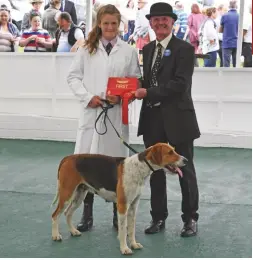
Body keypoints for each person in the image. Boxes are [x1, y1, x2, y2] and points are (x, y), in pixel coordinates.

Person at [67, 4, 141, 232]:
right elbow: (73, 78)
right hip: (92, 114)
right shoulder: (85, 49)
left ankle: (116, 216)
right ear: (99, 24)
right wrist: (89, 97)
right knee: (88, 166)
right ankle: (86, 216)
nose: (110, 27)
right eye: (106, 23)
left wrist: (123, 96)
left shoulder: (128, 51)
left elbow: (135, 81)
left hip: (116, 116)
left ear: (119, 25)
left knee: (117, 168)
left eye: (114, 23)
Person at [135, 2, 200, 237]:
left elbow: (181, 84)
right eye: (156, 19)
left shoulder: (184, 48)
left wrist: (147, 92)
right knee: (155, 171)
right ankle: (158, 218)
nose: (160, 23)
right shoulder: (148, 48)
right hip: (152, 119)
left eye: (165, 19)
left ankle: (190, 219)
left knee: (186, 171)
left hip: (178, 121)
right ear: (150, 23)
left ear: (173, 22)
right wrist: (132, 88)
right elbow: (148, 81)